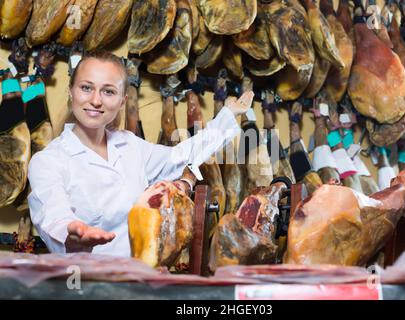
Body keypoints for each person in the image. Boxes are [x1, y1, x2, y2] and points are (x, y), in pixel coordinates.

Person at [27, 51, 254, 256]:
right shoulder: (48, 161)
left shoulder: (130, 146)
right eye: (86, 88)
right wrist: (70, 233)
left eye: (108, 91)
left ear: (122, 101)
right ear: (71, 91)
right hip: (82, 285)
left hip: (136, 281)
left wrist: (227, 116)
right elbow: (53, 214)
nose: (95, 100)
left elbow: (182, 155)